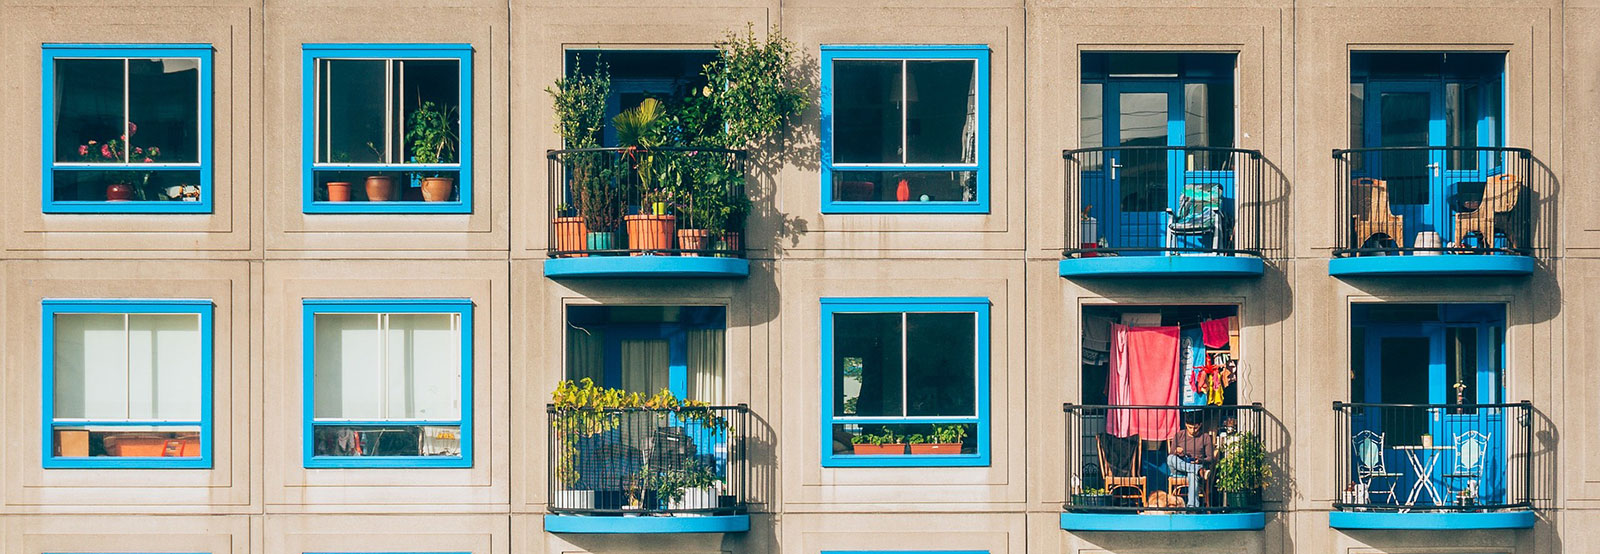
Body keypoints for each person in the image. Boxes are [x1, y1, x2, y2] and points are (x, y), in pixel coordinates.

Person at [1167, 415, 1216, 507]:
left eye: (1195, 428)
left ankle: (1192, 507)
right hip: (1179, 468)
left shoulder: (1205, 437)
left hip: (1196, 464)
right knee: (1170, 458)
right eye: (1190, 428)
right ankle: (1197, 470)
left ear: (1200, 425)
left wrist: (1200, 460)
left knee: (1192, 474)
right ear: (1186, 425)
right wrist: (1176, 451)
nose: (1193, 430)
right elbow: (1171, 454)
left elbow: (1210, 458)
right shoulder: (1179, 435)